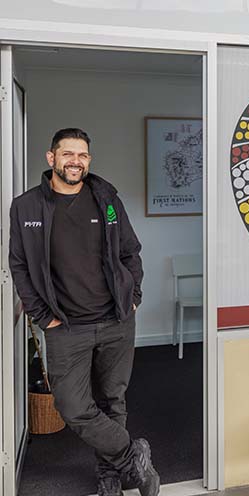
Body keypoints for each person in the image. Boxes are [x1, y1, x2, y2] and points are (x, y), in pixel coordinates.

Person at [8, 128, 160, 496]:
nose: (75, 161)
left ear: (88, 160)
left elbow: (130, 251)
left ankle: (110, 477)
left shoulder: (106, 199)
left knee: (112, 400)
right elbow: (19, 265)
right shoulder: (26, 207)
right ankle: (133, 456)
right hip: (65, 326)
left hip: (115, 320)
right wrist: (42, 316)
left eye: (82, 155)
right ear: (52, 158)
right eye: (68, 154)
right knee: (73, 407)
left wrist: (133, 295)